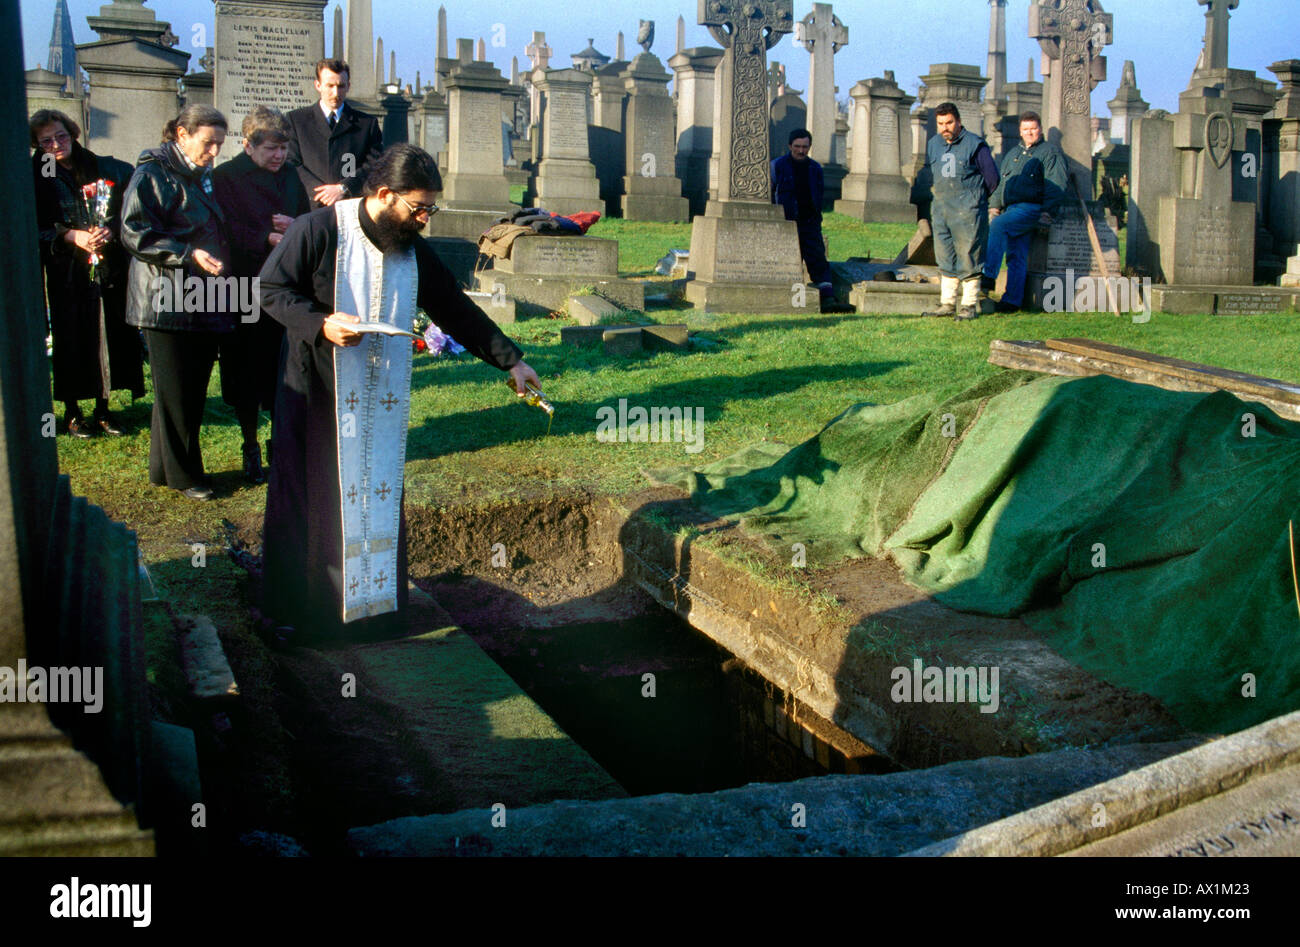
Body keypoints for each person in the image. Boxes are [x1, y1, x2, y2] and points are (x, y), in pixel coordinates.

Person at [258, 143, 539, 641]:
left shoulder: (409, 245)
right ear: (385, 194)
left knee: (377, 492)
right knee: (312, 495)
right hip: (317, 388)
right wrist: (321, 323)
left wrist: (511, 359)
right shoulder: (318, 230)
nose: (426, 218)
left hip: (378, 395)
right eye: (419, 207)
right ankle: (300, 615)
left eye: (432, 207)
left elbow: (453, 308)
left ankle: (374, 609)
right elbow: (272, 290)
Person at [120, 105, 234, 501]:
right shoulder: (151, 173)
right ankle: (187, 476)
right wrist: (188, 254)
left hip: (198, 298)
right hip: (163, 299)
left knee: (189, 389)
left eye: (220, 144)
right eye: (208, 143)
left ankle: (163, 469)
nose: (215, 152)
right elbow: (134, 232)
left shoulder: (202, 175)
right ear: (181, 135)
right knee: (176, 392)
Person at [30, 108, 144, 437]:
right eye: (46, 140)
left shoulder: (96, 165)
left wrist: (108, 231)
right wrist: (69, 235)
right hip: (66, 267)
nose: (56, 145)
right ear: (38, 144)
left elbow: (122, 211)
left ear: (73, 133)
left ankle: (104, 408)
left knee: (106, 333)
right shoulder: (37, 174)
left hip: (105, 263)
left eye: (61, 136)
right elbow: (32, 225)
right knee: (72, 337)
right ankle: (72, 411)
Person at [213, 105, 311, 483]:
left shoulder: (289, 176)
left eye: (283, 148)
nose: (279, 156)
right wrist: (262, 238)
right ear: (248, 145)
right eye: (271, 148)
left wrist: (296, 226)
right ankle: (250, 444)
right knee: (245, 370)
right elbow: (221, 228)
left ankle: (279, 445)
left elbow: (305, 217)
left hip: (283, 285)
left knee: (280, 367)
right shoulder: (227, 177)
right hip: (243, 285)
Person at [981, 112, 1068, 313]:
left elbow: (1056, 184)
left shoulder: (1049, 153)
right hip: (1011, 208)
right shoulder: (1013, 155)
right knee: (1016, 255)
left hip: (1031, 208)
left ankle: (988, 275)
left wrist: (1047, 213)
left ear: (1040, 129)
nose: (1030, 133)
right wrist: (994, 206)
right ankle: (1012, 301)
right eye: (1025, 129)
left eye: (1033, 128)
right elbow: (1003, 183)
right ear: (1020, 131)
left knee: (998, 225)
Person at [922, 103, 999, 321]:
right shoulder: (934, 144)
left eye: (949, 123)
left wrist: (974, 200)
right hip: (942, 209)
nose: (945, 128)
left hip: (968, 211)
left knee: (968, 255)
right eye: (940, 124)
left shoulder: (975, 145)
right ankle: (947, 303)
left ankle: (968, 305)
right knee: (945, 255)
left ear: (958, 121)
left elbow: (992, 179)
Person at [284, 59, 384, 210]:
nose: (336, 93)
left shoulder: (366, 124)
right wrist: (321, 192)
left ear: (348, 86)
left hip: (350, 207)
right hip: (307, 207)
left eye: (341, 86)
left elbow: (374, 164)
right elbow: (292, 162)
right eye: (330, 86)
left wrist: (343, 188)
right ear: (318, 85)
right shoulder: (296, 120)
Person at [771, 128, 833, 298]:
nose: (801, 150)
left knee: (817, 259)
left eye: (805, 147)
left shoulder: (815, 168)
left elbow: (818, 194)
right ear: (790, 146)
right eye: (797, 146)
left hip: (809, 221)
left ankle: (827, 296)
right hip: (786, 221)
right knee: (789, 261)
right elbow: (771, 193)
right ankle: (788, 296)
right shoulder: (777, 166)